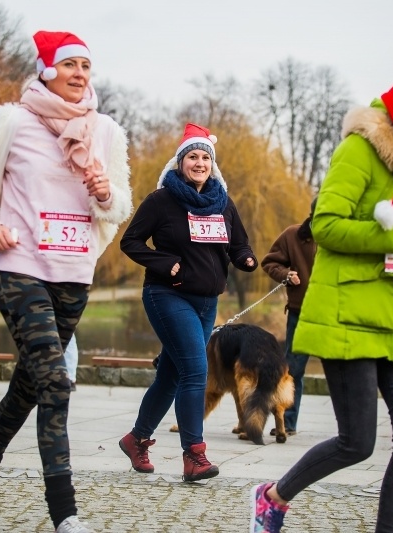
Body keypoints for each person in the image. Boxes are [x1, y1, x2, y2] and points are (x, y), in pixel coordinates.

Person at [250, 51, 393, 533]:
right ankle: (271, 497)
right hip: (349, 314)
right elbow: (325, 225)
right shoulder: (363, 147)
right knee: (358, 442)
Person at [0, 31, 132, 533]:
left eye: (85, 67)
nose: (78, 74)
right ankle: (65, 513)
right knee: (56, 381)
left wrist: (105, 193)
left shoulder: (107, 132)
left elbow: (119, 207)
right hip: (18, 266)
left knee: (30, 385)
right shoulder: (11, 122)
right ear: (47, 69)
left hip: (73, 272)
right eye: (68, 65)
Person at [118, 122, 257, 482]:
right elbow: (130, 242)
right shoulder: (161, 201)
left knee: (171, 374)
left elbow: (239, 243)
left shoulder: (222, 201)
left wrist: (245, 259)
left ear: (212, 164)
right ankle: (194, 455)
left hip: (207, 302)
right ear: (180, 163)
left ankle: (137, 439)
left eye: (204, 157)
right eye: (192, 157)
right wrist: (166, 264)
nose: (199, 163)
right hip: (167, 295)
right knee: (196, 371)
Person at [260, 199, 316, 436]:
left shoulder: (343, 238)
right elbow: (269, 261)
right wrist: (286, 273)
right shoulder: (293, 235)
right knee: (293, 367)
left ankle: (353, 430)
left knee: (348, 371)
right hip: (300, 311)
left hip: (337, 313)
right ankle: (287, 421)